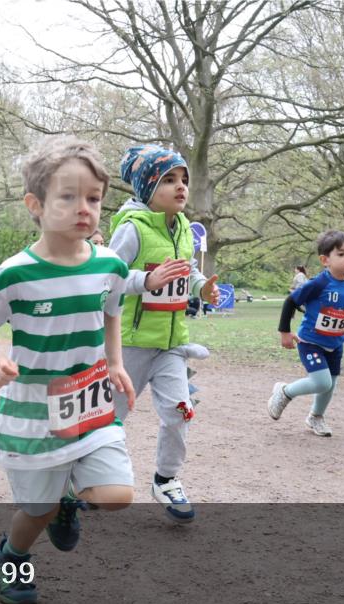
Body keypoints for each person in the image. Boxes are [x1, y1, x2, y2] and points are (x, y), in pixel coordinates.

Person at [0, 135, 136, 604]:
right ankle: (13, 553)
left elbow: (112, 312)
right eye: (69, 196)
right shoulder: (12, 275)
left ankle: (70, 498)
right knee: (35, 510)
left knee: (117, 494)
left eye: (94, 198)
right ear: (35, 204)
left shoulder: (110, 266)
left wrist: (116, 363)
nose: (85, 208)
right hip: (31, 411)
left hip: (88, 400)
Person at [108, 143, 220, 524]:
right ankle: (86, 475)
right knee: (111, 417)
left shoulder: (185, 228)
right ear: (146, 188)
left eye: (184, 179)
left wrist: (202, 287)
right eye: (169, 180)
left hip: (172, 345)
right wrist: (145, 280)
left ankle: (166, 479)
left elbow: (187, 270)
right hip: (131, 346)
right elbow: (107, 279)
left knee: (179, 412)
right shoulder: (131, 229)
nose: (181, 187)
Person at [268, 230, 344, 436]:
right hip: (311, 341)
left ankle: (315, 417)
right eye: (342, 254)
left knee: (330, 384)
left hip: (335, 343)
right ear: (325, 260)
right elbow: (291, 301)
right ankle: (284, 392)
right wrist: (285, 332)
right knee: (321, 382)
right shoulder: (319, 283)